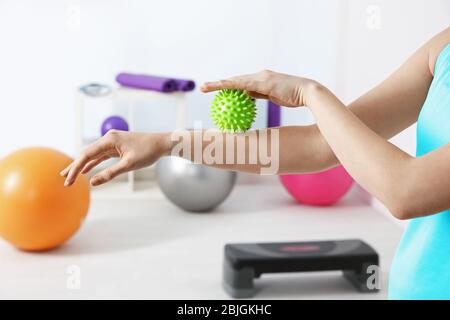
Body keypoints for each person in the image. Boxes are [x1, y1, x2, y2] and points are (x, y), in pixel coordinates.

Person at [61, 28, 450, 299]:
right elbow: (319, 145)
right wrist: (167, 142)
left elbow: (405, 191)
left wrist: (309, 92)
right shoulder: (442, 48)